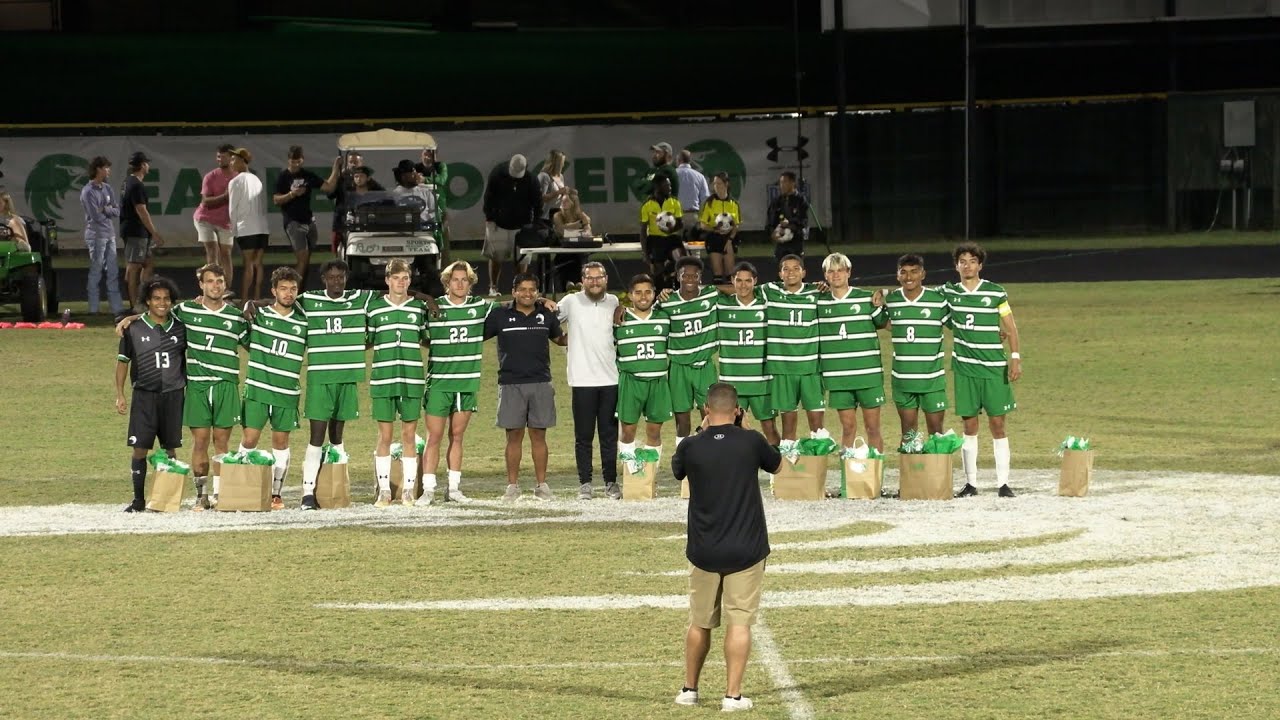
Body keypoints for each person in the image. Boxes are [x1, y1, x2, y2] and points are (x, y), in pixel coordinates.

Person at [671, 382, 781, 713]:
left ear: (706, 409)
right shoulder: (751, 441)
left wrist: (703, 431)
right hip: (745, 550)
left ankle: (689, 689)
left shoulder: (691, 446)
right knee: (739, 624)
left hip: (704, 550)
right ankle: (732, 696)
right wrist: (744, 428)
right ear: (736, 411)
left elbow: (678, 470)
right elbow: (776, 463)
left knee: (699, 622)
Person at [293, 260, 376, 510]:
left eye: (340, 277)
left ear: (347, 278)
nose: (336, 282)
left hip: (347, 377)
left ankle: (337, 486)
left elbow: (393, 292)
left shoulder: (360, 298)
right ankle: (308, 493)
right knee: (316, 437)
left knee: (338, 437)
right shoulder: (309, 300)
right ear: (323, 279)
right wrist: (251, 303)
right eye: (331, 277)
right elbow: (281, 303)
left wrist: (426, 297)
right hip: (320, 378)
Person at [942, 242, 1022, 498]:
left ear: (980, 265)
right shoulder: (949, 293)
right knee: (969, 426)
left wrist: (1015, 358)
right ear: (956, 266)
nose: (967, 265)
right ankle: (971, 483)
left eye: (972, 261)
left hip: (993, 369)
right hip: (965, 369)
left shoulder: (996, 292)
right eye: (962, 261)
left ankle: (1003, 483)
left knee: (998, 425)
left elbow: (1010, 327)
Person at [483, 272, 565, 501]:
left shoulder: (546, 315)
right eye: (523, 289)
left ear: (537, 292)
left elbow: (560, 339)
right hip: (510, 383)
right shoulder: (500, 315)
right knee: (513, 437)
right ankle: (512, 486)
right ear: (514, 292)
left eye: (532, 290)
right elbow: (477, 334)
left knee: (539, 436)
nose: (528, 294)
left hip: (541, 382)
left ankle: (542, 485)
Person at [170, 264, 247, 509]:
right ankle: (201, 496)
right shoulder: (185, 310)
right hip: (198, 385)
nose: (215, 285)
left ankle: (220, 494)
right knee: (201, 441)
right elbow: (157, 315)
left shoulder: (235, 316)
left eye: (219, 281)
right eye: (210, 281)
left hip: (226, 385)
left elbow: (254, 344)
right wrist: (130, 318)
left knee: (222, 442)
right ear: (201, 285)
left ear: (225, 285)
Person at [421, 260, 495, 504]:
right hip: (439, 383)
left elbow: (512, 307)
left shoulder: (480, 307)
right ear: (447, 283)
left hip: (466, 383)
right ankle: (428, 489)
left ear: (470, 283)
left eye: (465, 280)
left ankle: (453, 489)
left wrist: (540, 301)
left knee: (458, 436)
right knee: (434, 437)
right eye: (456, 279)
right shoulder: (433, 307)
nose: (460, 284)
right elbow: (422, 334)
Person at [114, 276, 186, 512]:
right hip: (144, 395)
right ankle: (138, 499)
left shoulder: (180, 326)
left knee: (171, 447)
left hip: (173, 394)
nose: (162, 303)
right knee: (139, 448)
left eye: (166, 299)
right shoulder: (133, 329)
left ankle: (169, 497)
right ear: (148, 300)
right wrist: (120, 394)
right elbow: (123, 362)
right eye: (156, 298)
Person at [237, 266, 307, 511]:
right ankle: (242, 486)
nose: (288, 293)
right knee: (249, 438)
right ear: (274, 290)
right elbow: (243, 339)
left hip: (286, 392)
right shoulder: (259, 316)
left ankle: (276, 493)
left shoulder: (304, 321)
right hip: (257, 388)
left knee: (281, 441)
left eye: (293, 289)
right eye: (284, 289)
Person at [367, 259, 430, 507]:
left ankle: (407, 489)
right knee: (384, 435)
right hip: (383, 378)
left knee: (409, 435)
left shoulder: (419, 308)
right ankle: (384, 490)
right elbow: (368, 340)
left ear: (410, 281)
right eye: (395, 278)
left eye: (404, 278)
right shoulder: (374, 309)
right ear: (387, 280)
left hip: (412, 379)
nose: (400, 282)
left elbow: (426, 339)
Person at [555, 261, 620, 500]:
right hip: (581, 380)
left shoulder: (614, 302)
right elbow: (551, 320)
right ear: (582, 281)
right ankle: (585, 483)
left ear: (606, 279)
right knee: (583, 436)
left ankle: (611, 481)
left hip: (610, 379)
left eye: (599, 277)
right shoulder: (571, 301)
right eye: (589, 278)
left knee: (609, 435)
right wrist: (560, 339)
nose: (594, 281)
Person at [816, 252, 888, 455]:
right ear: (825, 275)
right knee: (848, 429)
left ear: (849, 272)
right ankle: (848, 481)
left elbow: (887, 324)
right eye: (831, 271)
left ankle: (876, 481)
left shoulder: (866, 298)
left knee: (873, 428)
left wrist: (885, 297)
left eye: (840, 270)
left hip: (868, 376)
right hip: (838, 378)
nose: (836, 274)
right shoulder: (818, 302)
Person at [883, 254, 951, 449]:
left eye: (914, 272)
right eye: (903, 272)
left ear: (923, 274)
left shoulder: (937, 301)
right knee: (908, 434)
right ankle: (911, 478)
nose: (908, 277)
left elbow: (960, 325)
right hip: (903, 380)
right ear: (897, 276)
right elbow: (882, 322)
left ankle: (937, 479)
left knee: (937, 432)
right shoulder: (893, 300)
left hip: (932, 380)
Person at [762, 254, 827, 450]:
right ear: (780, 274)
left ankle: (818, 472)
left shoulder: (816, 292)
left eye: (795, 268)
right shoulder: (769, 291)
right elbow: (741, 289)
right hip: (783, 370)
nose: (791, 272)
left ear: (804, 272)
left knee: (817, 427)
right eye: (786, 269)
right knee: (788, 426)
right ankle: (787, 472)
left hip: (810, 369)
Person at [658, 257, 719, 454]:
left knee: (710, 415)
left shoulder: (710, 295)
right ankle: (682, 457)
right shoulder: (667, 302)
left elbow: (733, 289)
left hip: (704, 366)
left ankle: (710, 455)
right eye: (686, 275)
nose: (690, 279)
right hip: (678, 367)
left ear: (701, 277)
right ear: (678, 276)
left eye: (695, 275)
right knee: (682, 418)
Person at [613, 274, 672, 475]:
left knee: (654, 431)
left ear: (654, 294)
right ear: (630, 295)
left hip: (657, 381)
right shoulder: (619, 319)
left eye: (648, 292)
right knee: (628, 430)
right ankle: (631, 473)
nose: (643, 296)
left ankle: (648, 474)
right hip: (631, 381)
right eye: (638, 292)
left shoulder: (665, 317)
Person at [714, 261, 779, 445]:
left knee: (770, 427)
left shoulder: (766, 304)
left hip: (762, 381)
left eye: (748, 281)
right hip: (733, 382)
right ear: (732, 282)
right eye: (739, 280)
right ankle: (736, 469)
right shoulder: (722, 304)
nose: (743, 285)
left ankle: (776, 471)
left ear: (755, 281)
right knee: (731, 429)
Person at [273, 145, 340, 289]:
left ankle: (301, 290)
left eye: (298, 161)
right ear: (288, 160)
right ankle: (291, 292)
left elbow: (328, 187)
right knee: (302, 259)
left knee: (306, 261)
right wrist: (292, 194)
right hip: (293, 222)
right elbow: (276, 199)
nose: (295, 164)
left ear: (302, 160)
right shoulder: (283, 177)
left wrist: (335, 169)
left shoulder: (308, 175)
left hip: (309, 222)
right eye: (292, 161)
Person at [481, 154, 541, 297]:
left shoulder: (532, 180)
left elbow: (537, 203)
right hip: (499, 223)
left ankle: (520, 289)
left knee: (522, 260)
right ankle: (493, 288)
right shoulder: (497, 173)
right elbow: (489, 197)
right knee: (496, 257)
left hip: (522, 226)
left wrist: (534, 223)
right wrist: (490, 218)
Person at [78, 156, 125, 318]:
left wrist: (104, 209)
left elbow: (117, 211)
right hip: (95, 235)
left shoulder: (107, 188)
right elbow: (94, 216)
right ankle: (93, 309)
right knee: (96, 270)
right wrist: (107, 210)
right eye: (106, 167)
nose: (108, 170)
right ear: (98, 169)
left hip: (109, 234)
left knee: (113, 271)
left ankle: (116, 308)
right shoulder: (87, 191)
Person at [119, 151, 163, 311]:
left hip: (134, 230)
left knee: (147, 263)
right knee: (134, 267)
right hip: (135, 231)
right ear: (143, 165)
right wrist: (154, 232)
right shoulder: (137, 185)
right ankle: (135, 305)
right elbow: (141, 210)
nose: (148, 166)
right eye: (146, 163)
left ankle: (142, 297)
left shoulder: (127, 181)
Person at [193, 144, 238, 292]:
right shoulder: (211, 176)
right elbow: (206, 201)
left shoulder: (238, 177)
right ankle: (212, 289)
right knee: (213, 250)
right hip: (205, 218)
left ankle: (226, 291)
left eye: (223, 156)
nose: (219, 159)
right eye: (218, 156)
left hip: (225, 222)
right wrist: (225, 196)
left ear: (232, 158)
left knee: (226, 254)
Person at [227, 148, 269, 303]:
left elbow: (232, 208)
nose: (231, 163)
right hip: (262, 227)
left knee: (248, 264)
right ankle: (256, 298)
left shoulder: (235, 181)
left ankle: (245, 300)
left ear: (242, 161)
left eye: (233, 159)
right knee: (258, 263)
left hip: (247, 227)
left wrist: (233, 229)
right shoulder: (256, 179)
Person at [327, 152, 384, 253]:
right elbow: (329, 194)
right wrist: (336, 171)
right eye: (350, 162)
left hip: (365, 224)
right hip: (341, 223)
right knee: (338, 251)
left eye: (356, 162)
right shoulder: (341, 179)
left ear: (361, 163)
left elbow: (383, 195)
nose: (353, 164)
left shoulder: (370, 182)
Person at [639, 176, 684, 289]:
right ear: (658, 187)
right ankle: (659, 293)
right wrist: (645, 253)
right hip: (655, 239)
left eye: (670, 185)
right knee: (657, 270)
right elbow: (643, 230)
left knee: (681, 262)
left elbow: (680, 224)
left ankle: (677, 288)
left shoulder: (674, 202)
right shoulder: (647, 205)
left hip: (672, 238)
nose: (670, 188)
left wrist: (670, 229)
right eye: (667, 185)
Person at [698, 172, 741, 284]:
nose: (717, 186)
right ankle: (717, 299)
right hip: (714, 238)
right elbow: (703, 224)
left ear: (726, 184)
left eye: (719, 183)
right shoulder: (710, 203)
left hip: (728, 239)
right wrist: (714, 229)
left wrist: (730, 240)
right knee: (717, 274)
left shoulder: (733, 203)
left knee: (730, 275)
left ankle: (730, 299)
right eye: (715, 184)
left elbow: (736, 225)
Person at [551, 189, 592, 292]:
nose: (563, 203)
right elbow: (562, 231)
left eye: (566, 201)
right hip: (564, 249)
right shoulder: (557, 216)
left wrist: (583, 228)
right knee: (566, 258)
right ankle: (568, 284)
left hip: (578, 249)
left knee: (580, 257)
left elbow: (588, 232)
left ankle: (579, 284)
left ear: (573, 203)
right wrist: (577, 226)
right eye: (562, 201)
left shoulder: (581, 215)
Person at [765, 171, 809, 262]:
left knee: (797, 267)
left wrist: (790, 224)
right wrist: (772, 233)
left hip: (796, 242)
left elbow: (803, 220)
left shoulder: (801, 200)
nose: (782, 185)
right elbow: (770, 220)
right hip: (781, 243)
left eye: (784, 182)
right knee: (781, 269)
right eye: (780, 182)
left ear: (792, 183)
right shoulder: (777, 201)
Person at [392, 159, 439, 224]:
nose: (417, 176)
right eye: (413, 174)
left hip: (424, 229)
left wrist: (425, 219)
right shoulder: (395, 194)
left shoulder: (426, 192)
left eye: (416, 173)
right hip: (402, 229)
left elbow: (436, 212)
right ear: (403, 176)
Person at [675, 149, 710, 236]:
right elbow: (705, 199)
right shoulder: (700, 176)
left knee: (675, 245)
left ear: (678, 160)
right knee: (694, 246)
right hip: (693, 215)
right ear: (689, 161)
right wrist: (701, 218)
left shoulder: (673, 175)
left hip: (675, 216)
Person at [537, 149, 569, 221]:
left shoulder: (560, 176)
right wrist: (559, 192)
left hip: (557, 214)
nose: (563, 165)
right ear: (556, 163)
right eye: (562, 162)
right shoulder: (544, 176)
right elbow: (541, 198)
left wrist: (566, 194)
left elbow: (561, 196)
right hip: (544, 217)